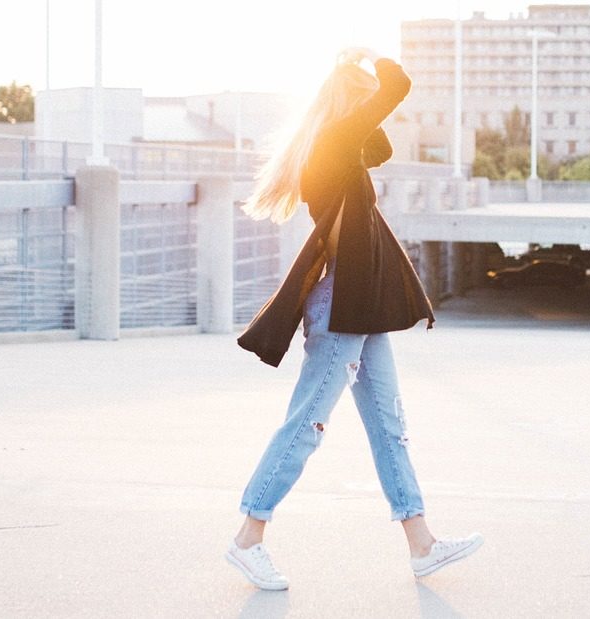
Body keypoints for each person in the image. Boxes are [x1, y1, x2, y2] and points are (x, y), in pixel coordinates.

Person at [225, 48, 483, 591]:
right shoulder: (332, 145)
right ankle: (249, 536)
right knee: (306, 425)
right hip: (340, 307)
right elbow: (399, 84)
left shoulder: (343, 147)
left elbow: (381, 146)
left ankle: (422, 544)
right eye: (365, 103)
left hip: (359, 309)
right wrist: (371, 59)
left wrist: (359, 91)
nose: (375, 112)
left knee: (390, 427)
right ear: (350, 103)